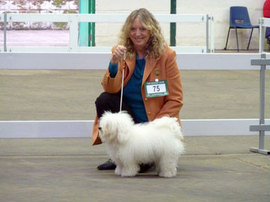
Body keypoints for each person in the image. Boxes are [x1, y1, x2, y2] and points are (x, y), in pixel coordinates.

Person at [92, 8, 183, 171]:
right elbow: (110, 88)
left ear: (152, 30)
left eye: (143, 29)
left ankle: (149, 153)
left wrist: (156, 128)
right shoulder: (123, 53)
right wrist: (113, 62)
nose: (137, 34)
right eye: (133, 29)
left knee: (148, 157)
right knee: (104, 99)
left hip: (153, 123)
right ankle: (119, 154)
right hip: (129, 120)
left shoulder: (167, 56)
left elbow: (175, 99)